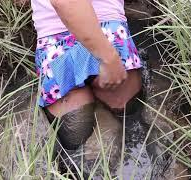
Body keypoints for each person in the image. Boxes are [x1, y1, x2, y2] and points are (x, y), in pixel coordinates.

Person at [31, 0, 143, 154]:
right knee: (133, 126)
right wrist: (109, 58)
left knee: (77, 149)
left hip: (55, 48)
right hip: (109, 34)